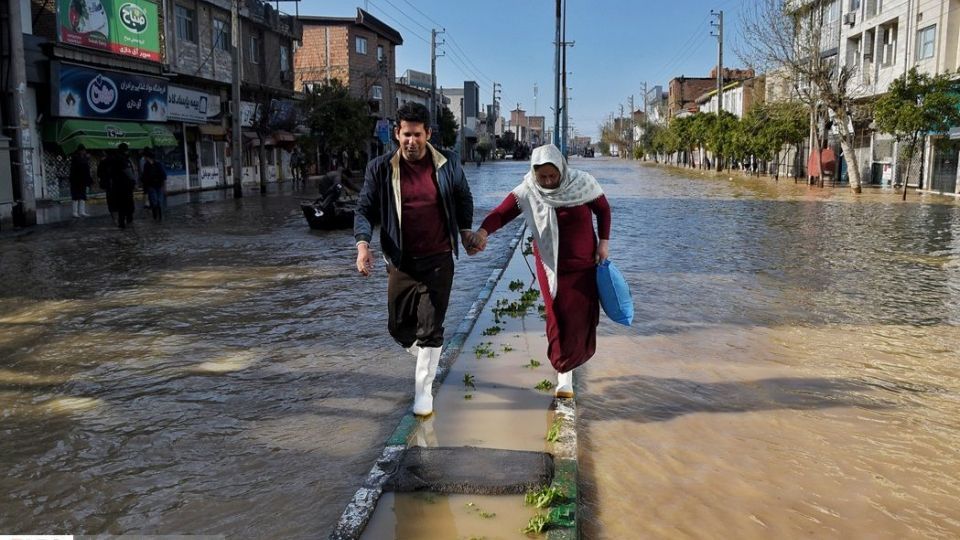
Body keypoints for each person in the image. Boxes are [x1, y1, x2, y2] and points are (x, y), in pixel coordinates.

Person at [354, 102, 476, 417]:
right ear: (397, 134)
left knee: (431, 328)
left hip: (439, 259)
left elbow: (463, 196)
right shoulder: (380, 169)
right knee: (397, 327)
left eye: (417, 135)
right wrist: (363, 246)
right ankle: (428, 356)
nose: (411, 141)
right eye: (406, 134)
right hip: (400, 261)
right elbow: (365, 209)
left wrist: (464, 230)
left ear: (428, 134)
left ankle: (424, 395)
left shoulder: (448, 164)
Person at [470, 144, 611, 399]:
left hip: (583, 264)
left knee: (580, 317)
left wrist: (604, 242)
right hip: (550, 265)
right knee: (557, 315)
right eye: (542, 176)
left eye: (552, 176)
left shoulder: (582, 183)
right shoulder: (528, 190)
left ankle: (572, 362)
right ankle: (563, 372)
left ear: (562, 169)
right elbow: (501, 214)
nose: (547, 182)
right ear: (533, 173)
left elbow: (603, 210)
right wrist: (482, 232)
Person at [108, 143, 137, 229]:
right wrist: (134, 181)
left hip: (117, 187)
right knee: (128, 204)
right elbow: (127, 172)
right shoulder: (123, 159)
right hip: (125, 186)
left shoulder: (113, 159)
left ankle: (121, 223)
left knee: (121, 206)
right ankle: (129, 221)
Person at [140, 148, 167, 221]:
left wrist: (164, 187)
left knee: (159, 201)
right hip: (151, 186)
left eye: (145, 157)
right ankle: (155, 215)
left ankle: (159, 216)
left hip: (159, 185)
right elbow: (145, 176)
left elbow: (164, 176)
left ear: (147, 157)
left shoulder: (158, 164)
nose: (144, 158)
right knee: (154, 201)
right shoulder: (146, 165)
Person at [68, 145, 93, 218]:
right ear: (80, 151)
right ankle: (75, 212)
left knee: (82, 196)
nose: (84, 152)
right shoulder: (76, 158)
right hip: (76, 180)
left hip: (82, 180)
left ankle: (82, 211)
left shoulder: (83, 158)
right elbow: (79, 168)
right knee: (76, 196)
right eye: (83, 150)